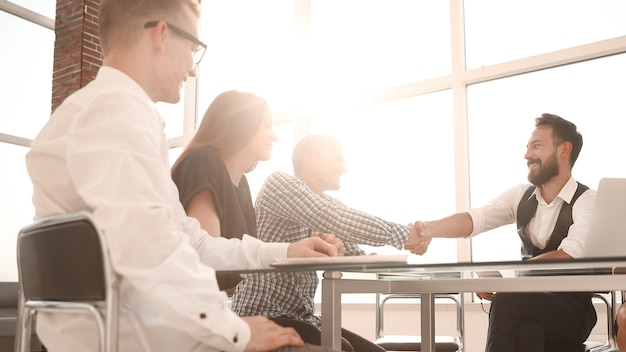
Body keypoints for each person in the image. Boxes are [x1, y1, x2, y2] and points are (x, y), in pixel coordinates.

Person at [24, 1, 343, 351]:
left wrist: (286, 250)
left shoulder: (85, 115)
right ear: (161, 33)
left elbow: (193, 242)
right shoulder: (118, 114)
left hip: (116, 331)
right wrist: (234, 330)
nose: (193, 69)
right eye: (193, 48)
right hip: (138, 337)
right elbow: (150, 248)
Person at [406, 114, 597, 352]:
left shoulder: (587, 200)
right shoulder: (521, 196)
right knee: (528, 334)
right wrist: (428, 229)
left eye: (536, 146)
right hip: (528, 306)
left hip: (573, 312)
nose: (527, 155)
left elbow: (570, 255)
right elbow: (476, 219)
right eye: (527, 147)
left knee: (507, 296)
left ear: (564, 150)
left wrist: (508, 276)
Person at [231, 134, 429, 352]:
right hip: (263, 312)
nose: (342, 168)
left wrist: (352, 252)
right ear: (310, 159)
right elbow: (330, 216)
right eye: (337, 159)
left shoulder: (329, 204)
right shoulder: (279, 184)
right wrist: (403, 235)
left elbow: (355, 253)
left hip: (303, 317)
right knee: (341, 348)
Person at [171, 90, 278, 292]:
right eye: (266, 124)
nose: (275, 136)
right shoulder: (202, 162)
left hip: (214, 305)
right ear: (240, 124)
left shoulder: (241, 182)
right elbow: (207, 262)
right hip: (189, 307)